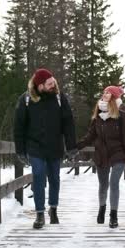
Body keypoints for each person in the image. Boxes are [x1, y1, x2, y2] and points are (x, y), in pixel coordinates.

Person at [14, 68, 78, 229]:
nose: (53, 85)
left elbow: (68, 123)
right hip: (35, 146)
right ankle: (40, 214)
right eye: (49, 84)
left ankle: (53, 209)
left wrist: (71, 147)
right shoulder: (26, 99)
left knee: (54, 178)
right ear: (40, 85)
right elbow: (19, 126)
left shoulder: (59, 98)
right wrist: (20, 150)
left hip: (55, 146)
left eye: (53, 82)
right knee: (38, 175)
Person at [76, 85, 125, 228]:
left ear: (115, 97)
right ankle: (102, 208)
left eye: (108, 93)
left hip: (118, 154)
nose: (104, 94)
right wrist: (76, 146)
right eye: (103, 92)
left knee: (114, 183)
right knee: (103, 185)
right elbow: (90, 136)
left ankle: (113, 215)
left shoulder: (123, 116)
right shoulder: (98, 115)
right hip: (101, 155)